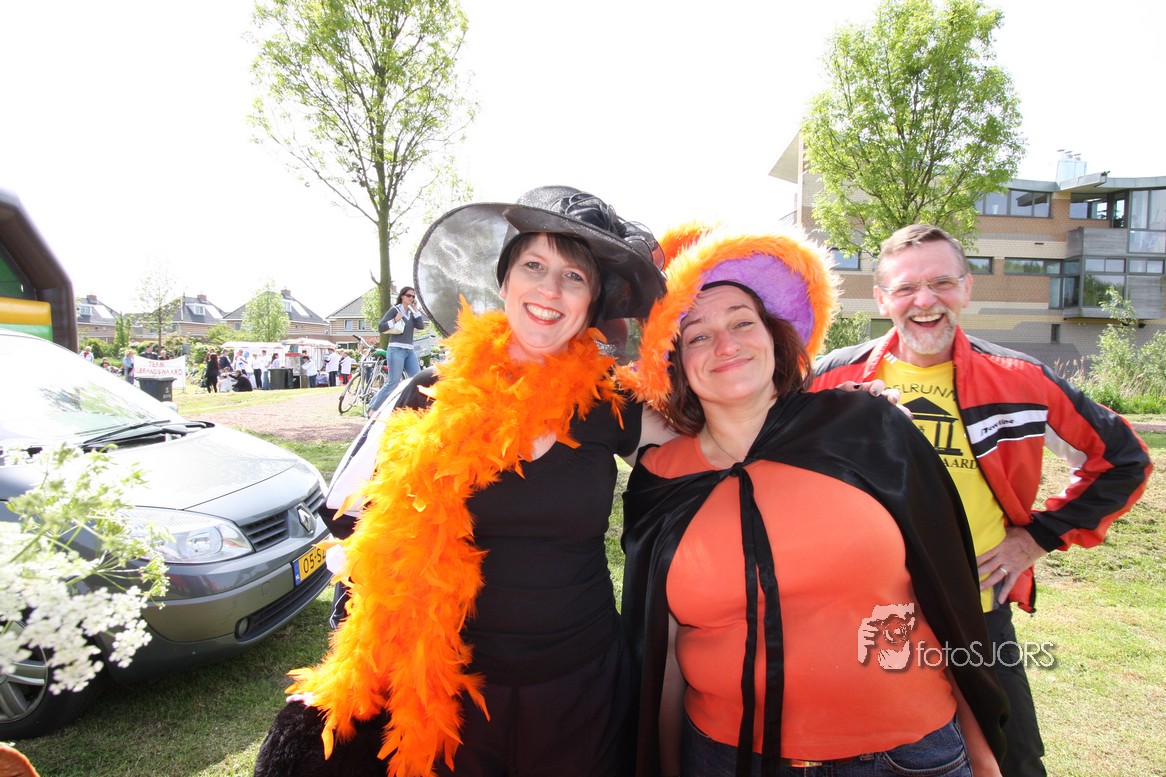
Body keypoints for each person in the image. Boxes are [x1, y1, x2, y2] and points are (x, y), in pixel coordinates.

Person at [253, 186, 669, 777]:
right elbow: (355, 529)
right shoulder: (427, 393)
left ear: (592, 301)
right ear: (504, 282)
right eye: (534, 266)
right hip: (452, 700)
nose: (550, 290)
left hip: (583, 690)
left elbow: (715, 448)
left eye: (574, 277)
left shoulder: (612, 402)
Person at [618, 226, 1008, 777]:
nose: (725, 345)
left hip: (905, 759)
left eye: (742, 322)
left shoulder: (866, 428)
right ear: (675, 362)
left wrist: (983, 755)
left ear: (774, 337)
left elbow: (948, 597)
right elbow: (662, 655)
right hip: (723, 759)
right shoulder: (660, 479)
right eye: (698, 335)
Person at [812, 224, 1153, 777]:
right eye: (905, 288)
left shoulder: (1022, 379)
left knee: (1011, 760)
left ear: (967, 288)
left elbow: (1124, 460)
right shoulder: (830, 379)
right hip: (862, 618)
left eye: (942, 283)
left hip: (976, 614)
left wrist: (1037, 536)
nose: (925, 301)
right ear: (881, 299)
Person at [370, 286, 427, 408]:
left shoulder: (411, 312)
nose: (411, 298)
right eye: (409, 295)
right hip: (396, 349)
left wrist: (416, 310)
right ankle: (373, 408)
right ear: (402, 296)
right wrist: (395, 319)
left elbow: (421, 326)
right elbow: (381, 327)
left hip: (409, 350)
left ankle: (412, 408)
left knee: (417, 380)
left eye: (413, 296)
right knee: (393, 383)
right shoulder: (394, 310)